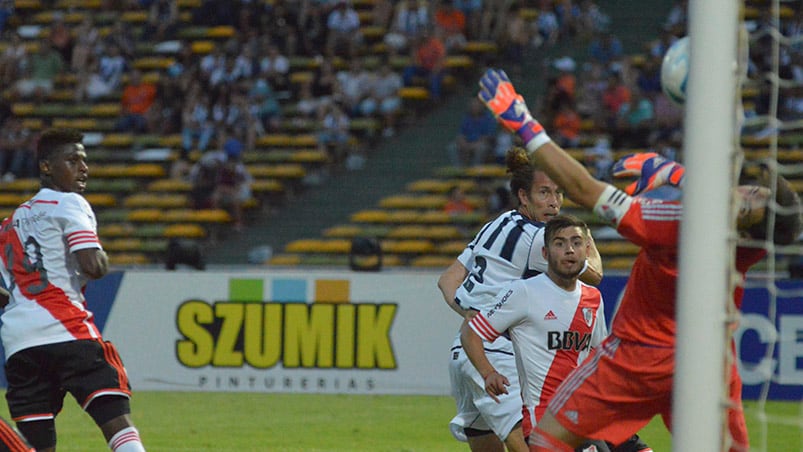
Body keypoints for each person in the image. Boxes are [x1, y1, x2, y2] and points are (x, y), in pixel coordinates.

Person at [477, 68, 802, 451]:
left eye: (749, 201)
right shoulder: (753, 245)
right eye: (754, 189)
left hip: (635, 360)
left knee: (546, 444)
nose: (743, 190)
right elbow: (726, 197)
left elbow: (583, 188)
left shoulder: (676, 225)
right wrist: (674, 173)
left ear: (744, 224)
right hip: (706, 364)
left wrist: (523, 122)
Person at [437, 146, 604, 452]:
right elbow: (594, 274)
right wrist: (586, 236)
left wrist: (470, 314)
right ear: (524, 197)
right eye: (544, 193)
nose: (554, 202)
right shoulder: (536, 238)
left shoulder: (497, 224)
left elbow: (447, 279)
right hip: (497, 354)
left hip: (464, 352)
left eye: (558, 193)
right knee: (535, 444)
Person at [0, 128, 146, 452]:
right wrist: (100, 257)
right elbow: (93, 265)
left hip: (19, 343)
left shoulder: (8, 225)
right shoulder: (68, 203)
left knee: (37, 445)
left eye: (84, 160)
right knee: (115, 416)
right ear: (46, 167)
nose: (84, 168)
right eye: (73, 160)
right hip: (66, 330)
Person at [460, 215, 609, 450]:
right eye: (559, 244)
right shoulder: (524, 292)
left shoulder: (593, 298)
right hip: (545, 420)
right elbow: (471, 332)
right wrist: (488, 373)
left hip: (583, 415)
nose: (569, 250)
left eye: (576, 243)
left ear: (587, 250)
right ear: (545, 253)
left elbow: (598, 357)